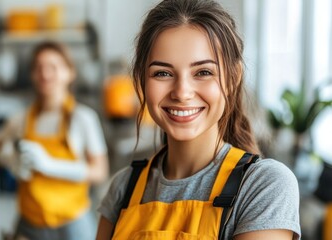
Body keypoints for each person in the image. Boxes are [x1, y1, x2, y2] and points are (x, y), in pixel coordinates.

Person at [96, 0, 301, 239]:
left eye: (203, 72)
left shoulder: (263, 186)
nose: (182, 92)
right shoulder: (123, 188)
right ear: (142, 80)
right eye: (162, 73)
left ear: (233, 77)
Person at [0, 41, 109, 240]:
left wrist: (50, 166)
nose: (45, 73)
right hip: (28, 225)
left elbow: (100, 171)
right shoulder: (20, 119)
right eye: (38, 67)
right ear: (32, 75)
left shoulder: (83, 118)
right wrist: (10, 160)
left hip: (72, 225)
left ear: (70, 72)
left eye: (53, 67)